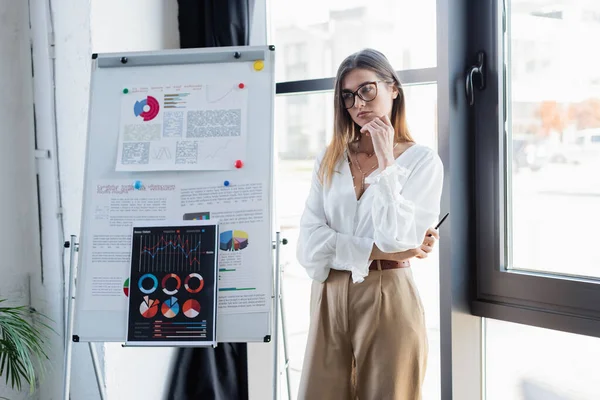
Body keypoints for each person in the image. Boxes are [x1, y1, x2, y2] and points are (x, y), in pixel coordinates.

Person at [296, 48, 444, 400]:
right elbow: (309, 244)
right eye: (348, 96)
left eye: (367, 90)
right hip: (328, 293)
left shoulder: (422, 161)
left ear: (393, 88)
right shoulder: (330, 157)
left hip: (388, 292)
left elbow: (398, 237)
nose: (358, 103)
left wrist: (388, 162)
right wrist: (377, 248)